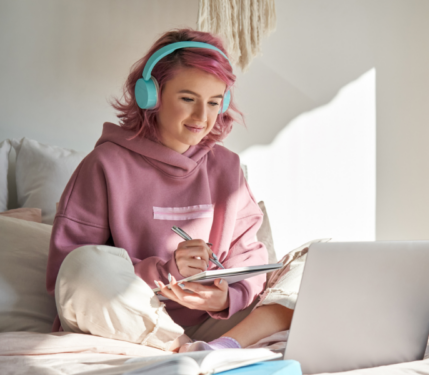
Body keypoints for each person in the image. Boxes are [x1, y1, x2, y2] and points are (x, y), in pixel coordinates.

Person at [46, 27, 313, 352]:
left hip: (213, 322)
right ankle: (185, 350)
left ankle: (219, 348)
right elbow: (68, 271)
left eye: (215, 102)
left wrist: (228, 295)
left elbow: (249, 255)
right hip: (131, 318)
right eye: (188, 99)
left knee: (314, 261)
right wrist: (165, 272)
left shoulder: (227, 167)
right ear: (151, 96)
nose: (203, 117)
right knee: (82, 265)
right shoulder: (105, 164)